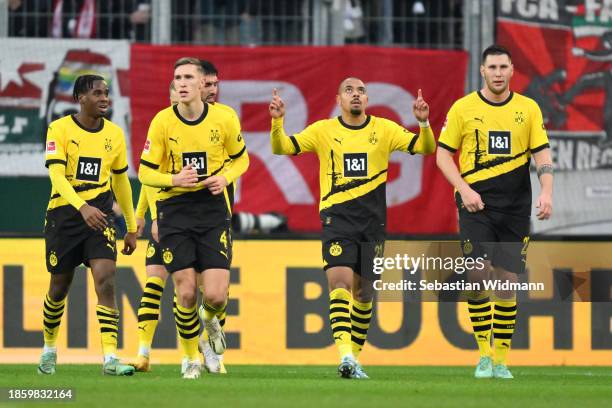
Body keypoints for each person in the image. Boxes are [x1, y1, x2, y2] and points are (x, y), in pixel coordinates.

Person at [269, 77, 435, 379]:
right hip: (338, 219)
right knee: (339, 283)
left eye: (360, 91)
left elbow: (425, 148)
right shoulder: (323, 130)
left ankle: (353, 360)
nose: (355, 95)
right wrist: (277, 123)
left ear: (367, 100)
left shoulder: (384, 129)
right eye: (349, 91)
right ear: (338, 100)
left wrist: (423, 123)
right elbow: (282, 147)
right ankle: (344, 353)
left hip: (373, 223)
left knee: (364, 294)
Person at [436, 45, 553, 380]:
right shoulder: (464, 108)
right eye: (493, 67)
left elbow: (542, 155)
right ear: (483, 71)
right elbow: (443, 155)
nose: (498, 73)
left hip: (515, 209)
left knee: (507, 281)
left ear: (512, 70)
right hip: (476, 204)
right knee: (477, 273)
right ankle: (484, 355)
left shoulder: (528, 109)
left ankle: (501, 360)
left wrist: (546, 193)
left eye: (504, 66)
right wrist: (464, 189)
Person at [138, 57, 249, 379]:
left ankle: (210, 320)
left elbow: (242, 160)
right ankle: (190, 360)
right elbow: (145, 171)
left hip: (212, 209)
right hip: (175, 210)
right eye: (177, 77)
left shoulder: (224, 119)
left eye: (188, 77)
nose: (182, 82)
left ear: (203, 84)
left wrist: (226, 177)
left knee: (214, 295)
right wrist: (174, 180)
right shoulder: (162, 122)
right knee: (185, 291)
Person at [38, 74, 138, 376]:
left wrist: (131, 227)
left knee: (106, 279)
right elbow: (56, 176)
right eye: (97, 93)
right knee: (59, 287)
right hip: (64, 217)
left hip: (101, 217)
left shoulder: (116, 135)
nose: (105, 98)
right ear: (80, 98)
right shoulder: (60, 129)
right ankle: (49, 349)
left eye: (107, 93)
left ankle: (110, 358)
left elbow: (121, 181)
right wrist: (81, 207)